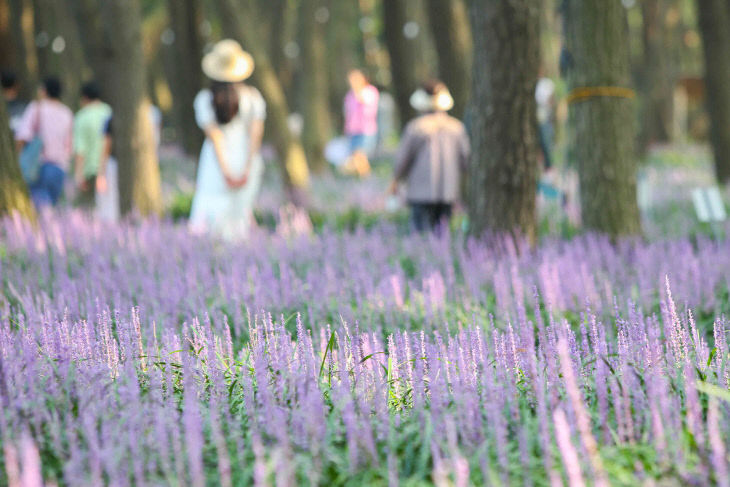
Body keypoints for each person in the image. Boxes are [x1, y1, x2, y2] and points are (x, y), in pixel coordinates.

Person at [189, 39, 266, 240]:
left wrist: (225, 172)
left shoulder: (206, 99)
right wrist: (248, 167)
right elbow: (255, 135)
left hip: (216, 162)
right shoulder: (253, 97)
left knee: (211, 213)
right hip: (244, 156)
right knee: (239, 213)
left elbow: (215, 137)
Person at [389, 80, 470, 233]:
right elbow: (466, 159)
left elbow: (403, 159)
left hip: (420, 192)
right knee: (443, 234)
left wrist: (395, 179)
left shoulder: (416, 128)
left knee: (421, 235)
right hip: (448, 191)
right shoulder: (456, 127)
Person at [15, 77, 73, 208]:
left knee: (39, 209)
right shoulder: (67, 113)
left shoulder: (36, 108)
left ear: (44, 91)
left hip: (38, 167)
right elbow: (69, 146)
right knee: (52, 209)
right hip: (60, 168)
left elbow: (23, 136)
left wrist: (17, 159)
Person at [73, 81, 112, 208]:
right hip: (109, 167)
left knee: (87, 209)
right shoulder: (108, 112)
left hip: (90, 170)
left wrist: (78, 175)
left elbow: (80, 149)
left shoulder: (82, 117)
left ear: (84, 97)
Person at [342, 69, 379, 178]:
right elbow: (348, 113)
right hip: (352, 130)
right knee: (357, 158)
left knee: (359, 156)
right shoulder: (349, 95)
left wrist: (357, 90)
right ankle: (363, 181)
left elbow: (365, 103)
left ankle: (365, 180)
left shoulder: (370, 91)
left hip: (366, 130)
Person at [535, 71, 556, 170]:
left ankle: (548, 167)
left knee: (546, 143)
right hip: (536, 118)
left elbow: (552, 99)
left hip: (545, 118)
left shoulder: (547, 83)